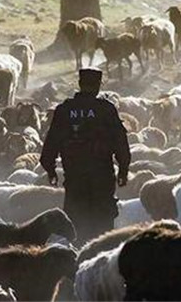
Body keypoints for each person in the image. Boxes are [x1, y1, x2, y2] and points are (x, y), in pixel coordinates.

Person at [40, 68, 131, 243]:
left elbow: (51, 143)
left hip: (75, 180)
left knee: (76, 226)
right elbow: (120, 142)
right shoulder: (106, 110)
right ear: (98, 86)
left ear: (80, 85)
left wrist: (50, 170)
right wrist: (123, 170)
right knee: (103, 230)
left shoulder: (64, 110)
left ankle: (78, 263)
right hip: (102, 180)